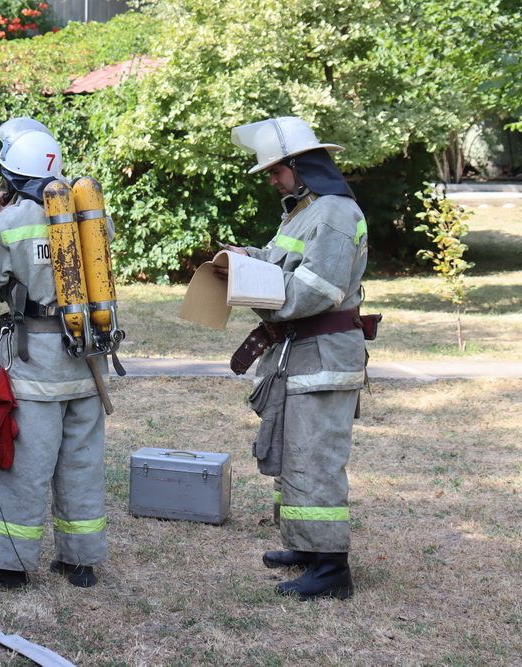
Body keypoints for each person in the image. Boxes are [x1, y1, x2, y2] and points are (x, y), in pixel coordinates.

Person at [0, 119, 109, 588]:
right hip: (88, 359)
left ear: (9, 176)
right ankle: (80, 562)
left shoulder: (14, 219)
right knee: (81, 465)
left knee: (21, 466)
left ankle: (8, 564)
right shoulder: (89, 212)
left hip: (36, 365)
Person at [225, 116, 369, 600]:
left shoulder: (335, 212)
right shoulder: (304, 212)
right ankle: (307, 546)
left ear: (302, 166)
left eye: (276, 170)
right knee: (295, 455)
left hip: (321, 357)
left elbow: (316, 291)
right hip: (300, 354)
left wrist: (254, 290)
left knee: (315, 459)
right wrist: (243, 259)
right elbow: (279, 263)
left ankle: (331, 570)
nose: (271, 180)